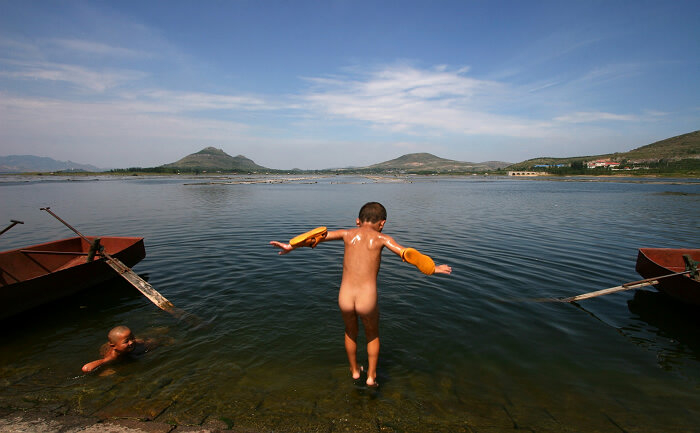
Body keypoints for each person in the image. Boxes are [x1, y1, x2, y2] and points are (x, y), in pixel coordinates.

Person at [270, 202, 452, 387]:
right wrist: (433, 268)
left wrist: (289, 246)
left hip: (345, 296)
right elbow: (405, 254)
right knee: (372, 335)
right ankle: (372, 377)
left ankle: (355, 371)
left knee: (350, 332)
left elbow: (315, 238)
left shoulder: (347, 234)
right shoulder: (382, 238)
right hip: (367, 298)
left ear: (358, 221)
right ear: (382, 223)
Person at [81, 325, 154, 373]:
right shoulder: (113, 356)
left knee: (149, 342)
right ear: (113, 346)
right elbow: (86, 368)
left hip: (121, 346)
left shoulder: (133, 343)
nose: (131, 342)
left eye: (132, 338)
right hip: (108, 348)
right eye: (126, 341)